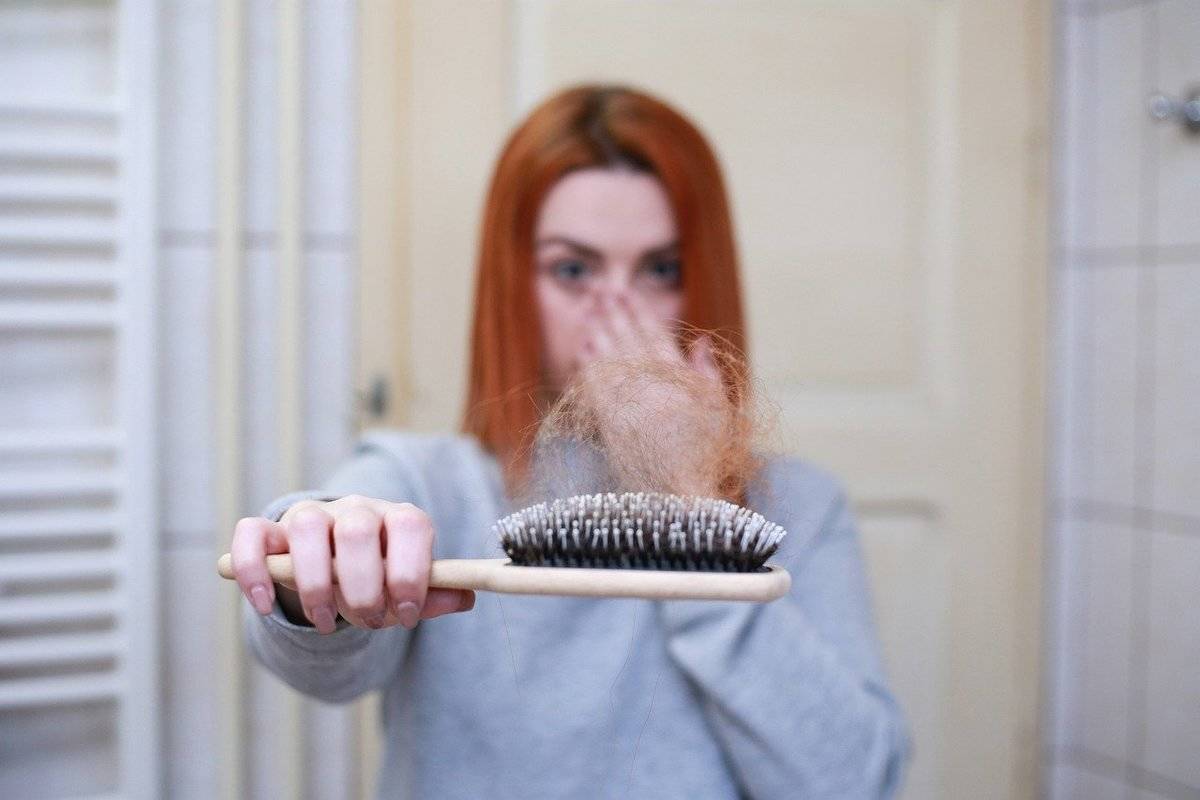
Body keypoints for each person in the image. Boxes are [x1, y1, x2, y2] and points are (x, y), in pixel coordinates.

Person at [231, 85, 910, 799]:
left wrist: (693, 506)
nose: (619, 310)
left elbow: (857, 782)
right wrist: (320, 566)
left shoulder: (801, 508)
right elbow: (323, 663)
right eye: (573, 269)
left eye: (661, 270)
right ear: (513, 283)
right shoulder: (429, 484)